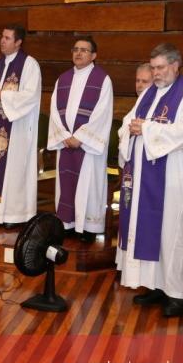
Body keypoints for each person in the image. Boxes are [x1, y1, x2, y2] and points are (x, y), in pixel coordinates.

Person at [116, 43, 183, 317]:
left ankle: (178, 295)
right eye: (152, 68)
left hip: (176, 179)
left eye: (160, 68)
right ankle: (156, 285)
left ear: (175, 65)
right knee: (153, 234)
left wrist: (146, 128)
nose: (155, 73)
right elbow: (127, 122)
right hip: (147, 178)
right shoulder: (150, 94)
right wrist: (130, 130)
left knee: (174, 236)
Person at [47, 36, 113, 241]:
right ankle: (67, 223)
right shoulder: (63, 79)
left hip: (88, 147)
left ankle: (88, 228)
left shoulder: (102, 80)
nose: (78, 53)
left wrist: (81, 138)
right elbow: (54, 112)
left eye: (84, 50)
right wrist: (66, 136)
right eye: (75, 49)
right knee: (66, 184)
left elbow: (103, 113)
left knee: (88, 184)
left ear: (94, 55)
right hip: (67, 143)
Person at [0, 25, 42, 228]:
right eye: (1, 37)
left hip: (17, 130)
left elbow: (30, 96)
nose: (2, 41)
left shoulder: (30, 65)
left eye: (7, 38)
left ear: (18, 42)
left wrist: (2, 95)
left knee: (13, 172)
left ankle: (14, 216)